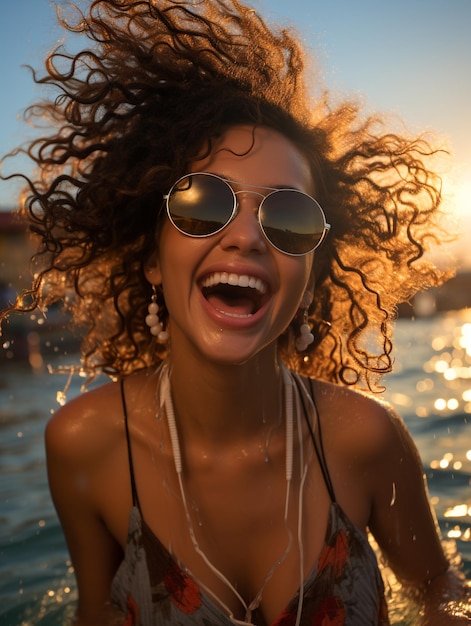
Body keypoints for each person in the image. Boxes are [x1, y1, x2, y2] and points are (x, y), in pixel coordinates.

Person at [1, 1, 470, 624]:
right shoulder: (85, 446)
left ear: (310, 277)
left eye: (289, 217)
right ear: (149, 255)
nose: (247, 237)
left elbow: (442, 594)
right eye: (202, 204)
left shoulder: (366, 439)